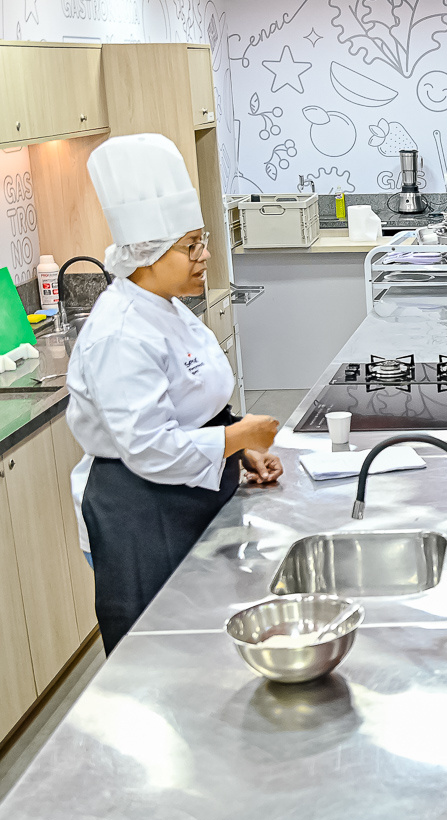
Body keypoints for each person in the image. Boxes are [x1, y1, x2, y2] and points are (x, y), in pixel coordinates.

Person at [67, 134, 281, 652]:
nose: (204, 255)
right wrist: (237, 437)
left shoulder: (165, 306)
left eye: (201, 241)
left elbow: (195, 401)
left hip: (186, 495)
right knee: (159, 651)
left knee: (207, 641)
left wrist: (237, 446)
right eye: (191, 246)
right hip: (139, 512)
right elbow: (150, 448)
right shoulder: (121, 332)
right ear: (147, 254)